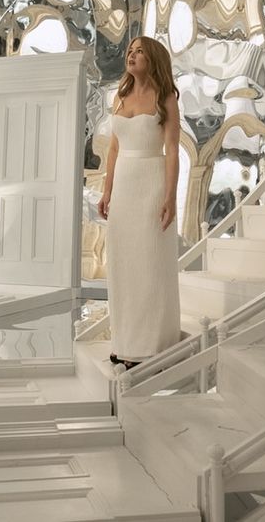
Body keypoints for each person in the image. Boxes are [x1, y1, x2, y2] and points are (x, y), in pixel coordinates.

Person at [96, 36, 182, 368]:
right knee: (123, 264)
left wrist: (170, 196)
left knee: (150, 263)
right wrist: (107, 191)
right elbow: (114, 148)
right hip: (124, 188)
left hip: (151, 182)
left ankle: (153, 345)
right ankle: (125, 342)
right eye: (130, 51)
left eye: (139, 51)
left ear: (153, 58)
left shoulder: (166, 98)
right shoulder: (120, 96)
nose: (131, 56)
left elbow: (172, 150)